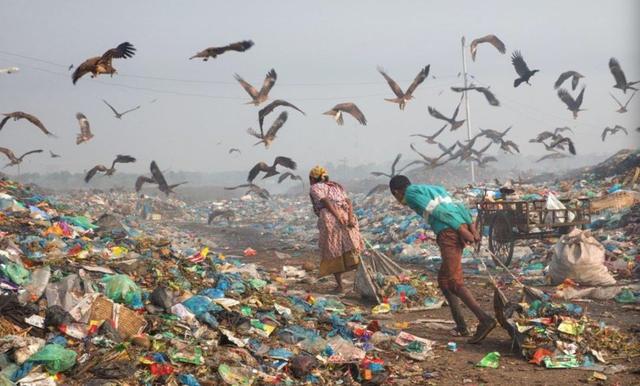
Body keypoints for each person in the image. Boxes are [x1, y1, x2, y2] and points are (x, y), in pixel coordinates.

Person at [389, 175, 496, 344]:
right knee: (444, 281)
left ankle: (485, 320)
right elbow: (458, 207)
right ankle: (461, 326)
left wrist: (462, 231)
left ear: (396, 192)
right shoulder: (434, 189)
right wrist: (471, 227)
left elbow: (439, 212)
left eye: (396, 197)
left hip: (448, 233)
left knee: (454, 282)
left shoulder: (410, 194)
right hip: (456, 229)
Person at [309, 166, 363, 293]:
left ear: (312, 178)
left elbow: (326, 201)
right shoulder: (336, 186)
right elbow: (348, 202)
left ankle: (340, 286)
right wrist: (349, 218)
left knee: (333, 250)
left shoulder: (315, 187)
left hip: (331, 219)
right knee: (352, 247)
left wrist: (337, 217)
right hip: (346, 217)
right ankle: (361, 282)